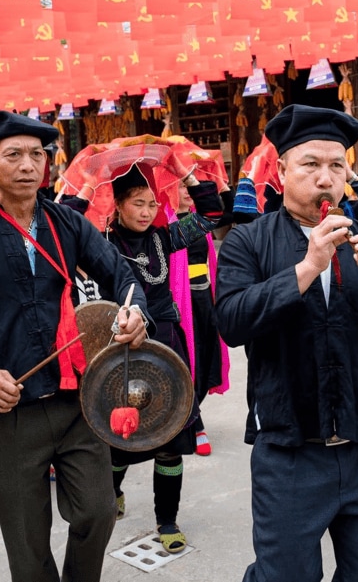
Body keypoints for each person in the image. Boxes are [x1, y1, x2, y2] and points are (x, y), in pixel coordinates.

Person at [0, 110, 149, 582]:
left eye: (37, 155)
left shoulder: (68, 224)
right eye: (14, 155)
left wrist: (135, 311)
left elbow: (121, 275)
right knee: (27, 545)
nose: (27, 165)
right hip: (8, 412)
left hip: (76, 401)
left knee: (98, 512)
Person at [215, 104, 358, 582]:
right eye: (311, 164)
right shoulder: (248, 242)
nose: (325, 178)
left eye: (337, 166)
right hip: (288, 450)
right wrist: (307, 267)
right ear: (281, 172)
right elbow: (231, 323)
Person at [105, 163, 223, 553]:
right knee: (121, 435)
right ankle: (112, 492)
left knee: (171, 435)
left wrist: (189, 177)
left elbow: (212, 214)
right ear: (118, 204)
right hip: (124, 345)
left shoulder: (163, 238)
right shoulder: (103, 244)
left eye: (152, 203)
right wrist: (85, 190)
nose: (146, 212)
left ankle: (167, 520)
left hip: (167, 342)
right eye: (137, 203)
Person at [174, 180, 231, 456]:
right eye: (181, 186)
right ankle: (195, 423)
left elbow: (229, 213)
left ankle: (190, 410)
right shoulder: (168, 224)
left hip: (204, 296)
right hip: (179, 299)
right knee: (188, 360)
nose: (187, 191)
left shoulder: (197, 220)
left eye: (189, 187)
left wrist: (223, 186)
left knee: (209, 358)